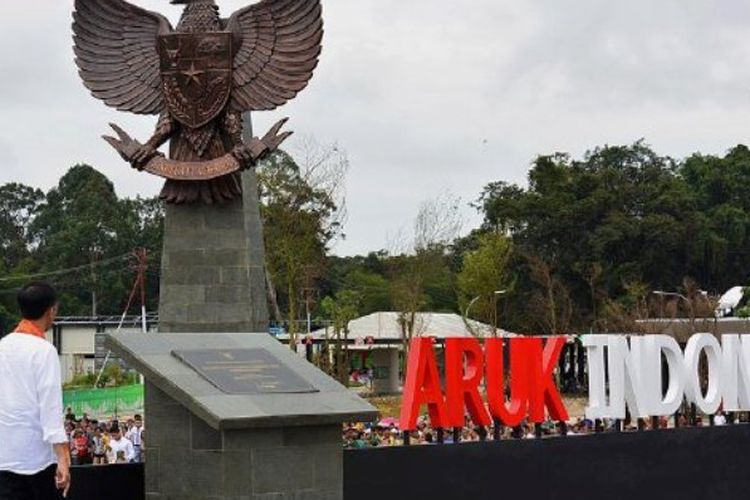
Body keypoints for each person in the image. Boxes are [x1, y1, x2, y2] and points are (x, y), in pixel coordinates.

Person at [0, 282, 71, 499]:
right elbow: (50, 408)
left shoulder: (3, 345)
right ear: (52, 310)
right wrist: (63, 458)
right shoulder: (44, 351)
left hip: (5, 457)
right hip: (37, 459)